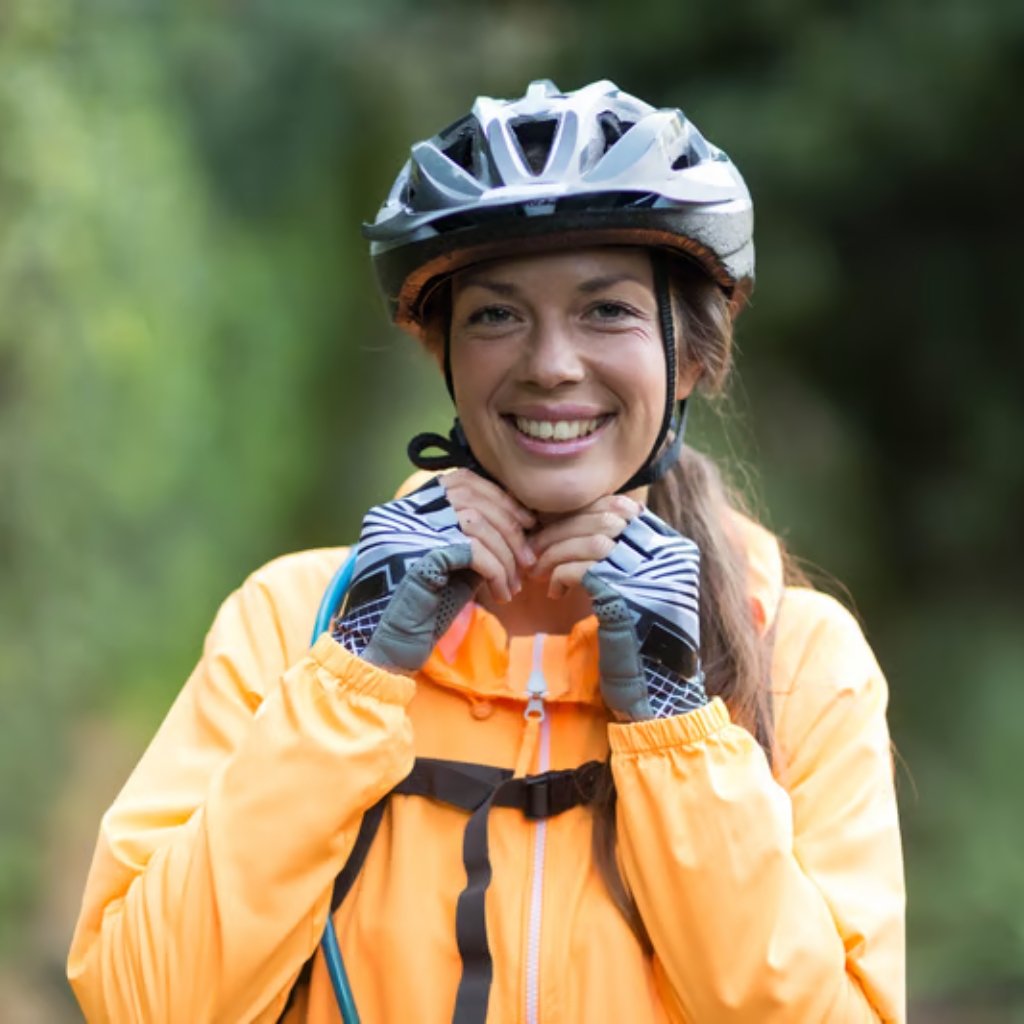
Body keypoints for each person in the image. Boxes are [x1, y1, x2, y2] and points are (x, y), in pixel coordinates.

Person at [67, 79, 905, 1023]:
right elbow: (146, 1003)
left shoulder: (798, 655)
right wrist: (353, 677)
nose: (550, 363)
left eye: (608, 312)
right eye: (497, 315)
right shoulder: (291, 620)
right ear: (445, 356)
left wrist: (676, 726)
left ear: (694, 354)